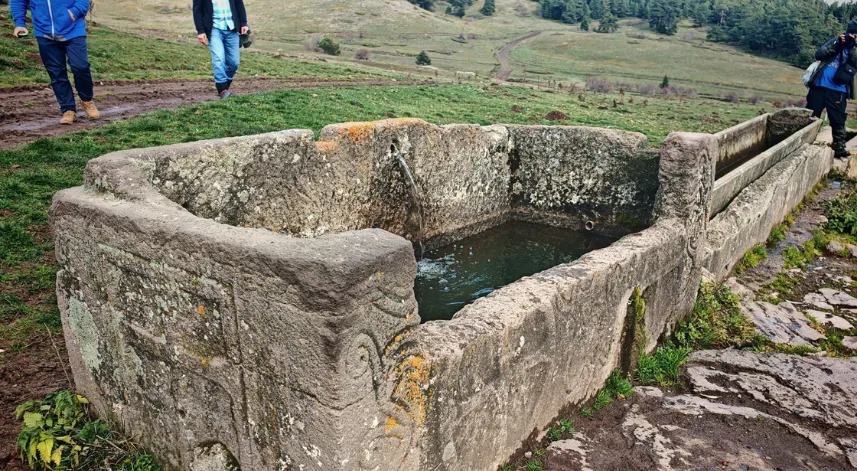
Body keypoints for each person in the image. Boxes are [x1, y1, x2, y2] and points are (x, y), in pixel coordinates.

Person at [10, 0, 100, 125]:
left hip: (73, 29)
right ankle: (68, 109)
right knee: (56, 72)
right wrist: (20, 22)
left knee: (80, 67)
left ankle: (87, 100)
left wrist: (74, 12)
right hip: (44, 31)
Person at [806, 20, 857, 159]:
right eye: (852, 34)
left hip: (839, 90)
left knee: (838, 119)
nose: (853, 37)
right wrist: (837, 45)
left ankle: (839, 148)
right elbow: (819, 54)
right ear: (847, 33)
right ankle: (804, 143)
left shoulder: (855, 48)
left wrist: (852, 48)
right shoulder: (836, 42)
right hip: (819, 86)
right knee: (811, 115)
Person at [193, 0, 248, 99]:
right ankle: (222, 90)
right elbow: (197, 10)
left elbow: (239, 3)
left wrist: (244, 23)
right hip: (214, 29)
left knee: (234, 63)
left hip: (232, 28)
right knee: (219, 60)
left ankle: (223, 86)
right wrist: (200, 30)